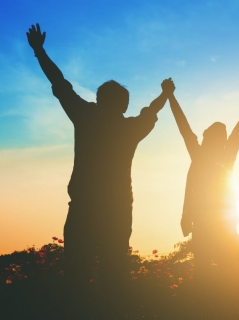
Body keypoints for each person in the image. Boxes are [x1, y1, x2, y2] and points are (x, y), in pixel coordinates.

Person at [26, 23, 173, 289]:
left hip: (83, 208)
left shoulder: (85, 117)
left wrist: (39, 50)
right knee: (114, 273)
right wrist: (165, 94)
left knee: (77, 273)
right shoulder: (129, 128)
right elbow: (151, 111)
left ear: (98, 99)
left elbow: (59, 83)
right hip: (116, 209)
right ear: (124, 105)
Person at [167, 83, 239, 268]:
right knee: (223, 267)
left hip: (212, 219)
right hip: (216, 219)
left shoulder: (202, 155)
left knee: (209, 267)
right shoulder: (222, 155)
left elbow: (184, 127)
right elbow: (237, 133)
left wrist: (170, 97)